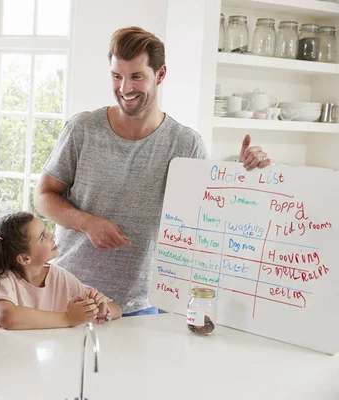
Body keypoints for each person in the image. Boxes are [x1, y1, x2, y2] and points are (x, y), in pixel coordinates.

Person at [34, 26, 272, 316]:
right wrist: (87, 223)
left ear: (160, 75)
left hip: (140, 305)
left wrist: (245, 174)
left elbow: (210, 216)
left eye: (136, 77)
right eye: (116, 76)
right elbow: (44, 196)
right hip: (68, 295)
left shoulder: (185, 143)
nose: (124, 88)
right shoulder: (82, 129)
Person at [0, 212, 122, 329]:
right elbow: (8, 317)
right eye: (42, 236)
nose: (52, 235)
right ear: (24, 258)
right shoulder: (4, 280)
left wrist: (100, 310)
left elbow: (117, 310)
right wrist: (67, 318)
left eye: (46, 231)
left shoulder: (59, 277)